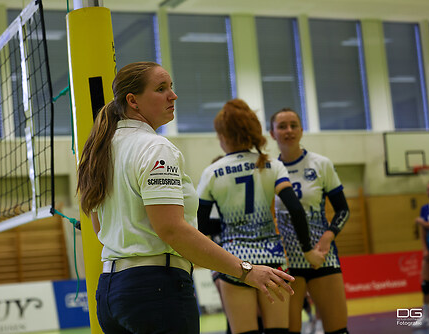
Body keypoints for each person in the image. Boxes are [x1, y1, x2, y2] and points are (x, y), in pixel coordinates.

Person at [76, 62, 295, 334]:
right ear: (133, 101)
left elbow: (100, 231)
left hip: (110, 293)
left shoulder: (99, 150)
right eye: (161, 89)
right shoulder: (154, 147)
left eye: (171, 87)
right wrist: (246, 270)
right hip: (156, 291)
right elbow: (171, 229)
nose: (173, 95)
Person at [197, 99, 324, 334]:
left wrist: (229, 224)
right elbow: (295, 209)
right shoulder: (272, 165)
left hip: (235, 263)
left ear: (224, 135)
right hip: (273, 261)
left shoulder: (211, 172)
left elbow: (202, 224)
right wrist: (308, 250)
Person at [269, 108, 350, 334]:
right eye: (282, 126)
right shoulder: (269, 170)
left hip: (321, 257)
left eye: (294, 125)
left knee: (338, 330)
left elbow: (343, 209)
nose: (289, 130)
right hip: (287, 263)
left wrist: (329, 234)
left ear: (302, 130)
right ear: (272, 133)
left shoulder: (320, 164)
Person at [415, 181, 429, 326]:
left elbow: (425, 225)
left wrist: (422, 222)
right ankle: (425, 317)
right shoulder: (425, 209)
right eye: (427, 189)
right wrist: (425, 249)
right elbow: (423, 231)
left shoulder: (423, 218)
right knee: (426, 284)